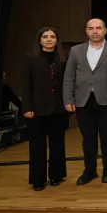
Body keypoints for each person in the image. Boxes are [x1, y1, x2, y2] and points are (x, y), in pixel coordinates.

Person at [63, 18, 107, 185]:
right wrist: (68, 99)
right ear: (86, 31)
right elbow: (69, 76)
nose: (95, 31)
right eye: (91, 28)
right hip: (83, 101)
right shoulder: (76, 50)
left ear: (105, 30)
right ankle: (90, 170)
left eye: (98, 28)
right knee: (88, 138)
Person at [23, 27, 67, 191]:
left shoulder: (62, 59)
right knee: (37, 145)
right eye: (45, 37)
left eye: (52, 37)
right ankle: (38, 179)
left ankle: (56, 176)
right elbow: (26, 85)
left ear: (57, 40)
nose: (49, 39)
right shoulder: (31, 59)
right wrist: (27, 107)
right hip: (37, 109)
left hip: (58, 108)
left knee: (57, 144)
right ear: (39, 40)